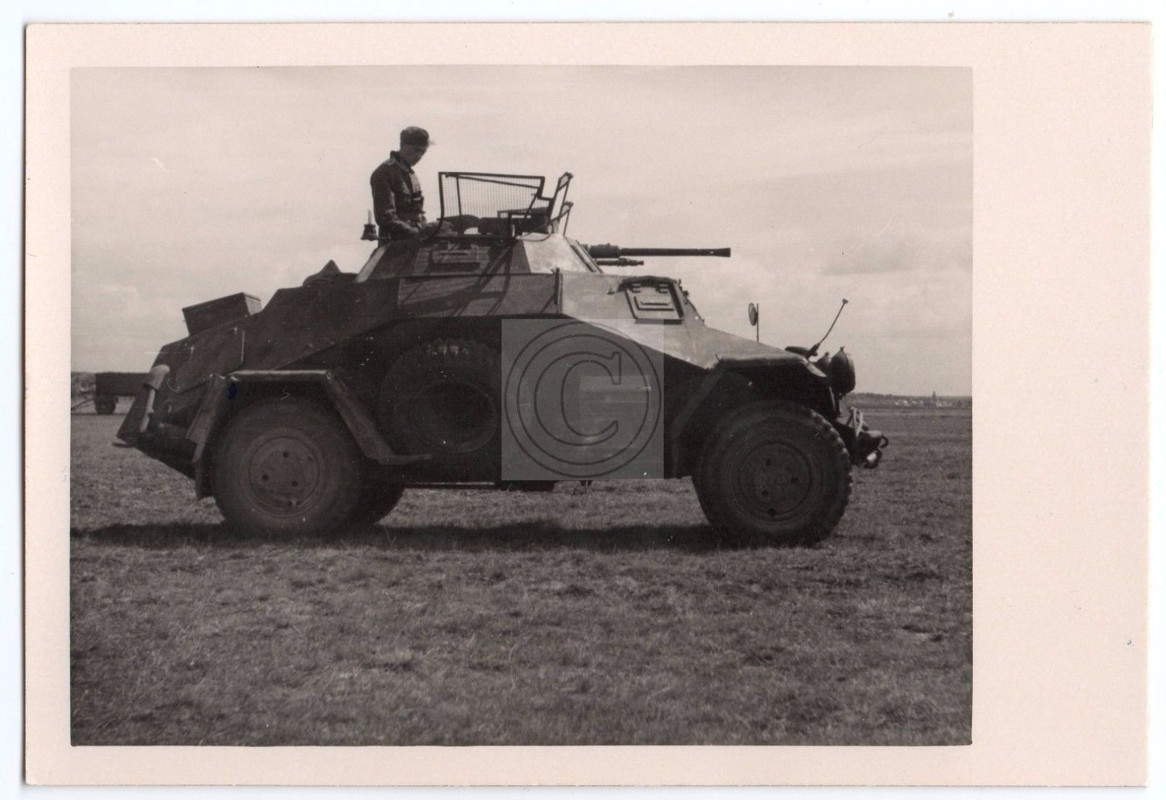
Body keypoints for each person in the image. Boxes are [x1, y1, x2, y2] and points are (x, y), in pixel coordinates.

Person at [370, 126, 433, 240]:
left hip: (415, 239)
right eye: (416, 150)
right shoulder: (384, 172)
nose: (419, 156)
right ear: (403, 147)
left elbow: (417, 212)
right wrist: (415, 233)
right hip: (395, 243)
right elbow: (386, 217)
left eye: (423, 152)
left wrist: (427, 229)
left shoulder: (411, 174)